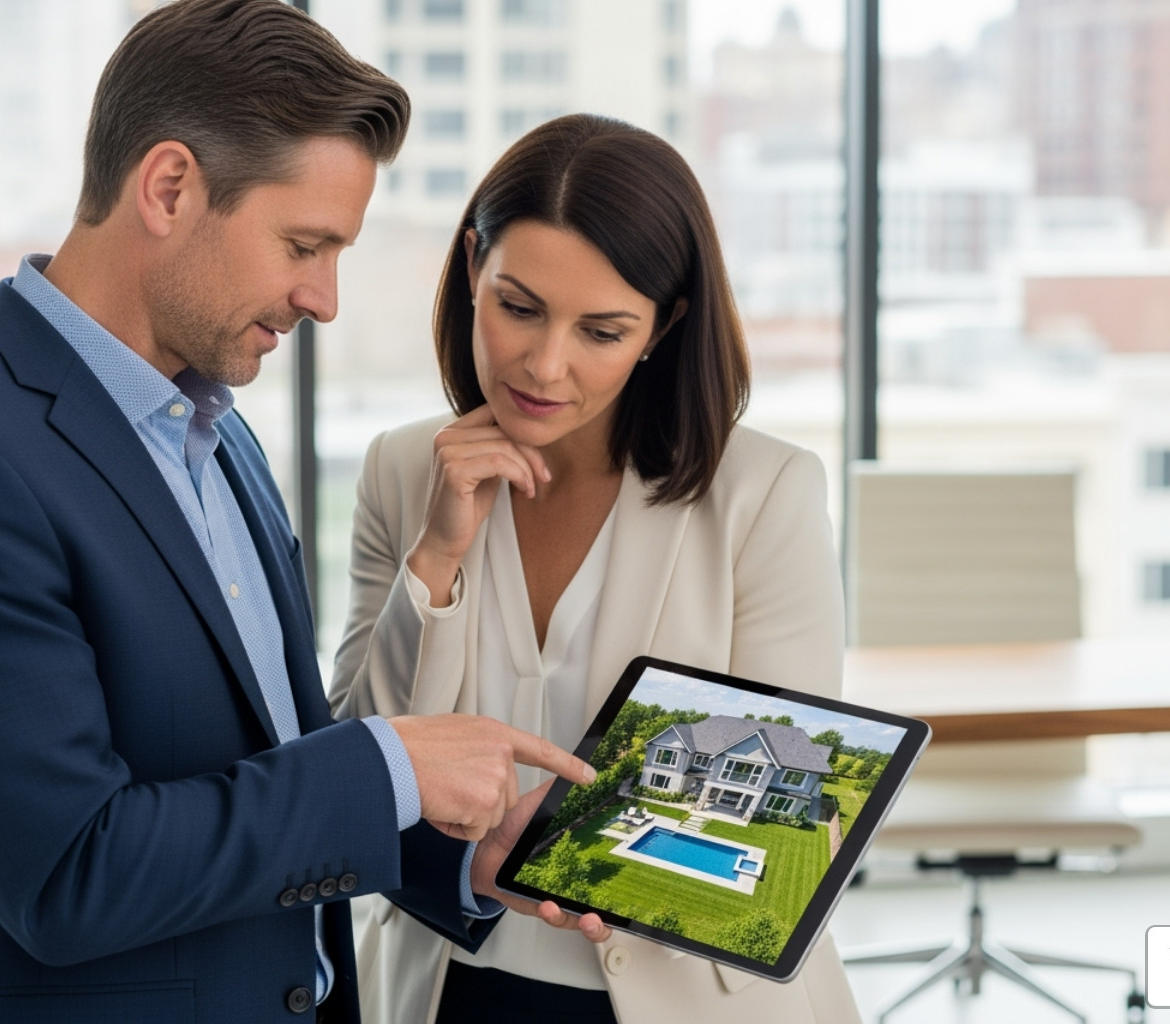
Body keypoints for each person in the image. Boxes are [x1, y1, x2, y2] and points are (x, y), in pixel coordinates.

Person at [0, 2, 600, 1021]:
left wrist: (449, 845)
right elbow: (65, 875)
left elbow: (259, 775)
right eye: (303, 244)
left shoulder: (218, 433)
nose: (322, 297)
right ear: (170, 186)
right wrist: (389, 765)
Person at [328, 114, 861, 1024]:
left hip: (685, 996)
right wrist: (440, 559)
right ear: (471, 273)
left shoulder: (762, 493)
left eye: (602, 331)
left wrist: (552, 843)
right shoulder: (404, 469)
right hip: (446, 984)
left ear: (663, 326)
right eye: (519, 306)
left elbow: (792, 813)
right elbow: (356, 768)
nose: (545, 364)